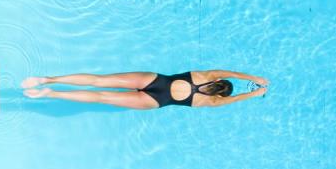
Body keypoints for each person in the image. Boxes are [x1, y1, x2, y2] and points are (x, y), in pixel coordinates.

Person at [20, 69, 268, 109]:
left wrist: (253, 78)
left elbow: (230, 72)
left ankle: (48, 79)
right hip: (156, 102)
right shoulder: (212, 102)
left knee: (98, 80)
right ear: (221, 93)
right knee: (99, 97)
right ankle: (52, 94)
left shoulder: (206, 75)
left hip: (155, 80)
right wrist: (254, 94)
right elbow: (235, 100)